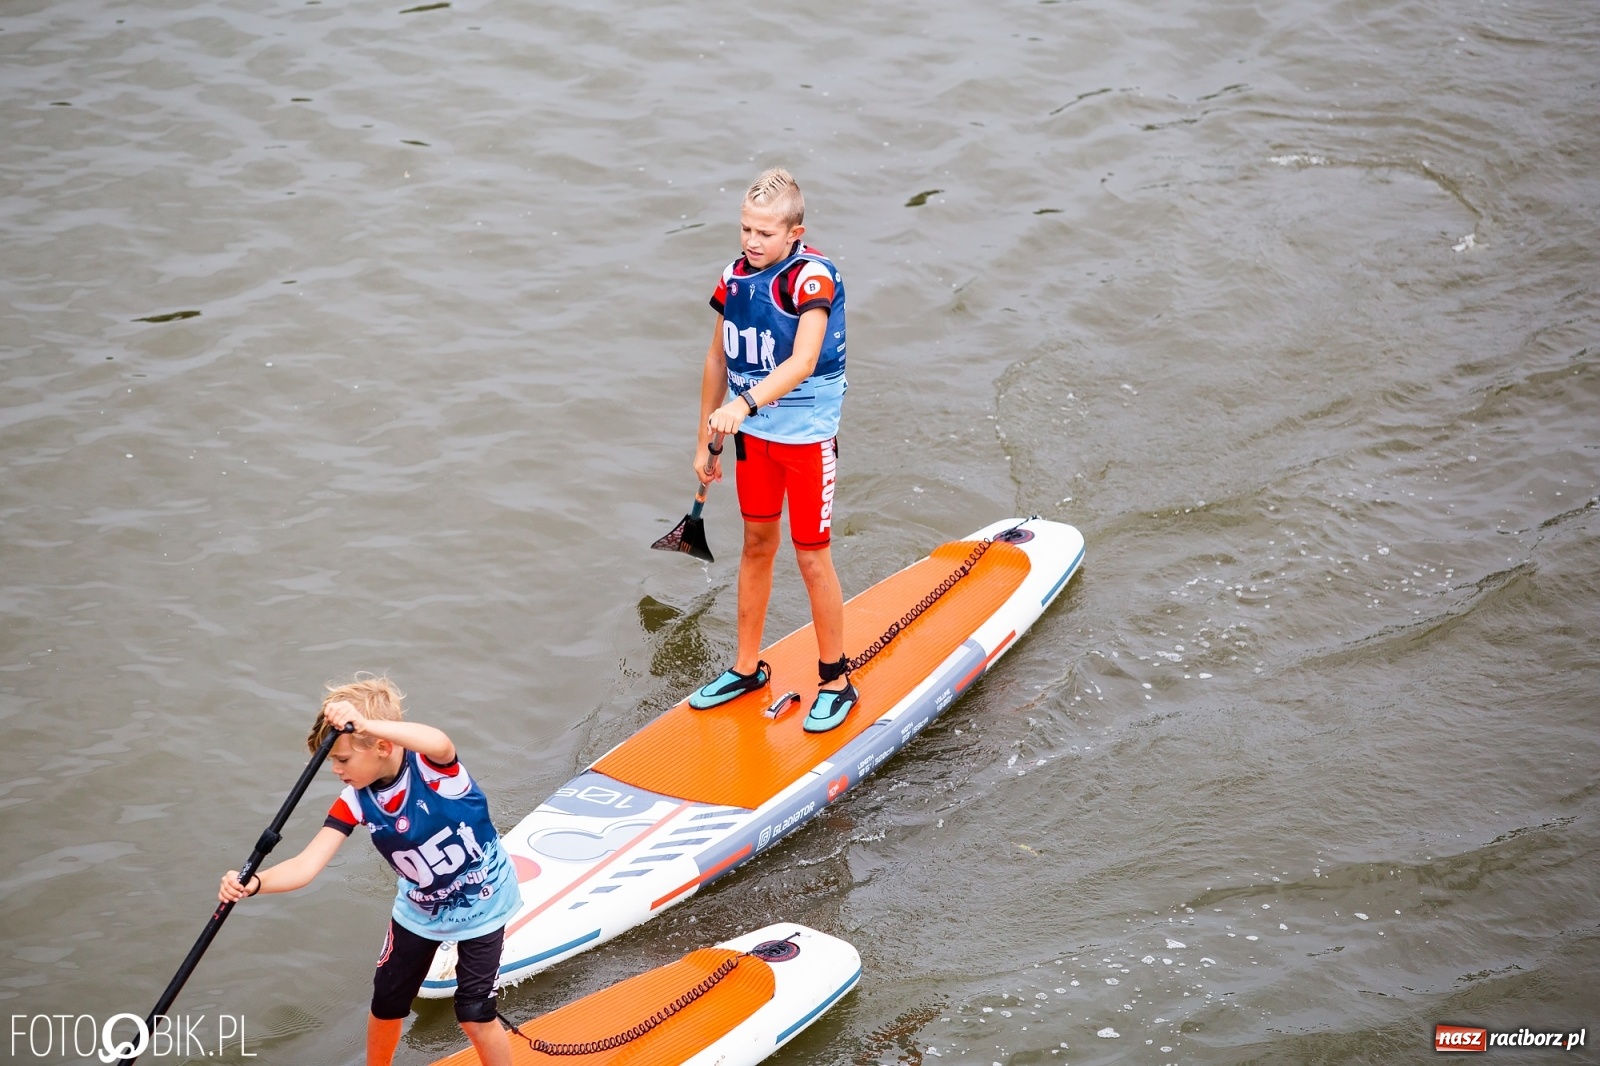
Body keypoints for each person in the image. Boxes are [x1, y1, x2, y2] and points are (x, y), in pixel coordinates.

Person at [219, 676, 516, 1066]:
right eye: (332, 761)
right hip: (419, 910)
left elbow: (440, 741)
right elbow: (307, 865)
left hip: (483, 903)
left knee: (474, 1015)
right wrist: (254, 883)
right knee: (386, 1004)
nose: (336, 770)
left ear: (383, 746)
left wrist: (365, 723)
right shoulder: (355, 801)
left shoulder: (434, 770)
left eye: (342, 760)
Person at [690, 167, 859, 733]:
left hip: (806, 442)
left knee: (811, 557)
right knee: (756, 545)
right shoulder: (734, 278)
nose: (752, 241)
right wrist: (703, 441)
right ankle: (746, 668)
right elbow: (717, 358)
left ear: (794, 232)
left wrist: (742, 405)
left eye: (765, 233)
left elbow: (804, 360)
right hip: (754, 444)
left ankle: (836, 679)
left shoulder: (812, 278)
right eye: (745, 229)